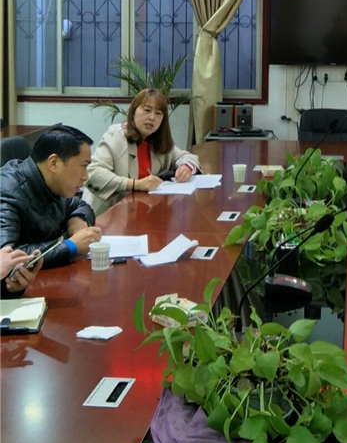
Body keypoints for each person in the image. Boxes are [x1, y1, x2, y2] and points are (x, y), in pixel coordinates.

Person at [0, 125, 101, 297]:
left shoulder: (51, 182)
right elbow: (7, 256)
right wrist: (70, 246)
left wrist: (77, 220)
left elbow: (79, 205)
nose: (85, 176)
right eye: (83, 166)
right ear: (54, 163)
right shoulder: (7, 192)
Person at [83, 88, 201, 216]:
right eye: (147, 110)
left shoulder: (156, 141)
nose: (152, 118)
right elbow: (93, 173)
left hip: (142, 212)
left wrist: (186, 167)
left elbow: (187, 156)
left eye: (158, 113)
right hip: (108, 215)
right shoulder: (116, 136)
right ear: (133, 111)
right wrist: (135, 184)